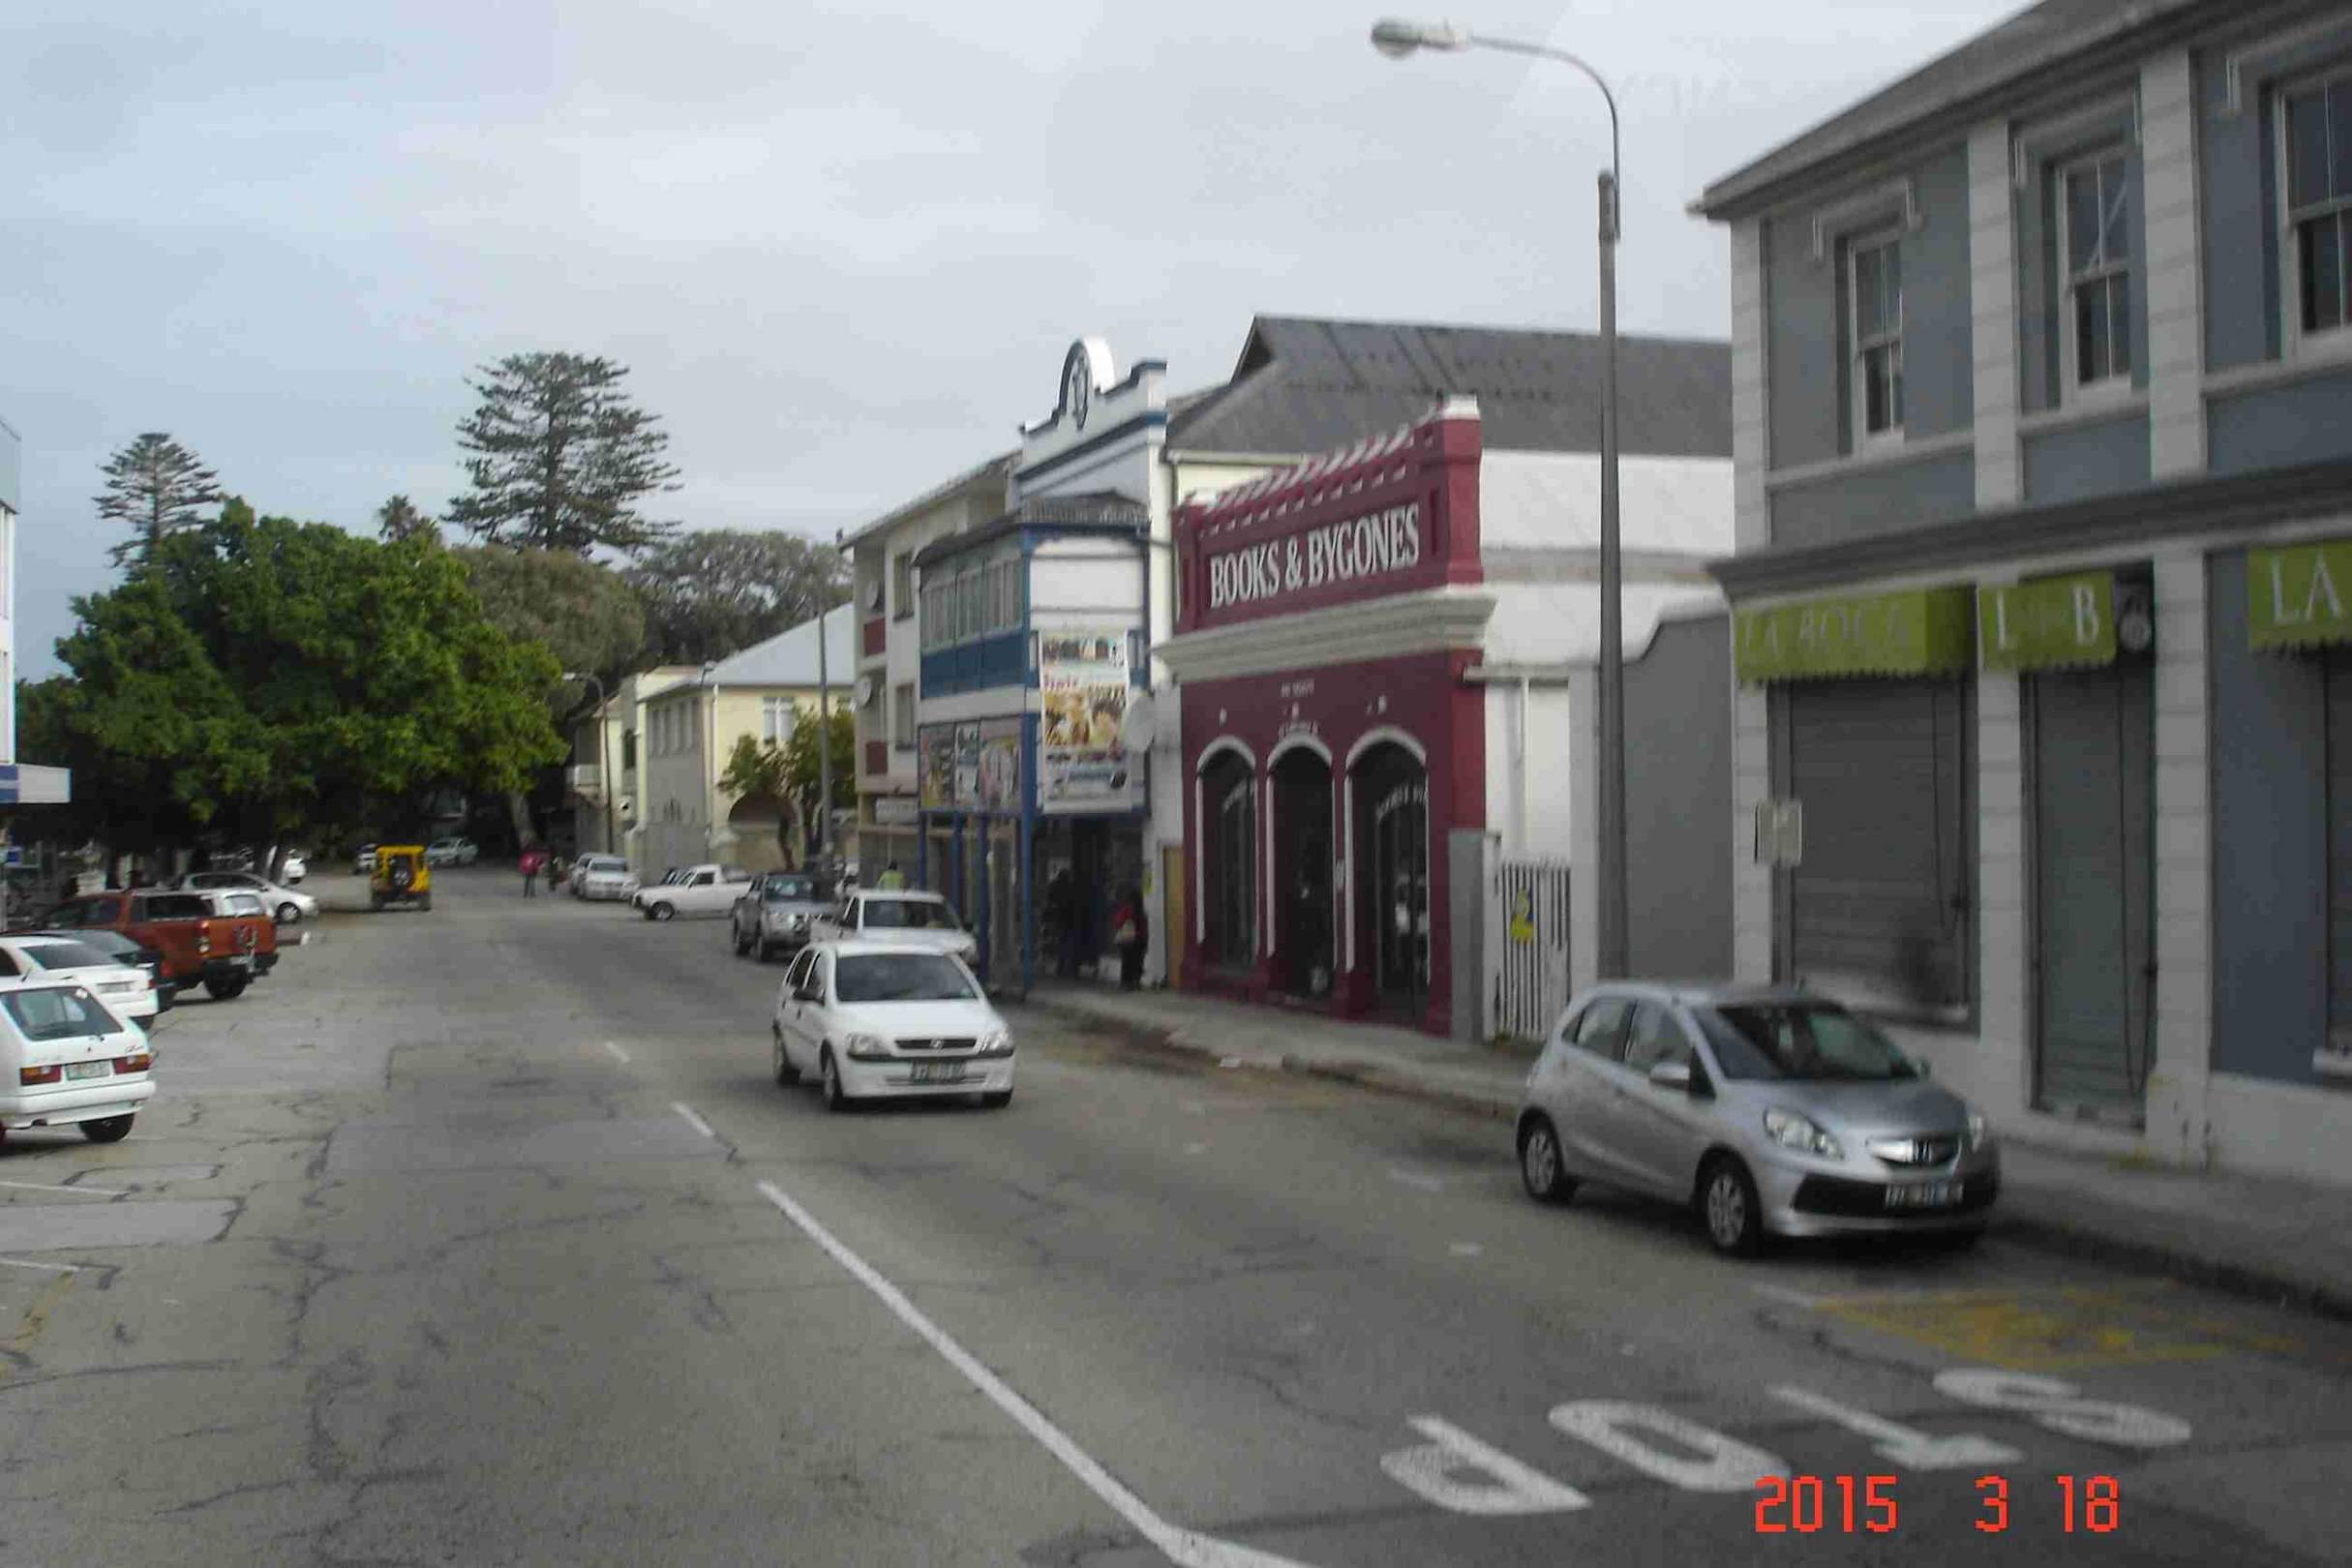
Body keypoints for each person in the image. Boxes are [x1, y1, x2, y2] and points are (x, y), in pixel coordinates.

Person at [1111, 884, 1147, 991]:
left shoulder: (1126, 909)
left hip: (1127, 940)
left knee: (1126, 962)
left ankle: (1126, 983)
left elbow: (1118, 922)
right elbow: (1144, 927)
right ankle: (1136, 982)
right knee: (1138, 961)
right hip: (1140, 940)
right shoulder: (1141, 911)